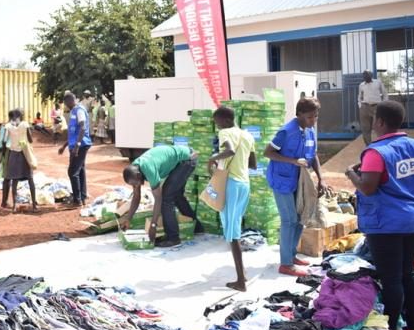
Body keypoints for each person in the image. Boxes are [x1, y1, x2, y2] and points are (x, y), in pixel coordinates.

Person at [345, 100, 414, 330]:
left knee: (391, 278)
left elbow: (367, 188)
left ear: (379, 122)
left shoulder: (376, 152)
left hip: (387, 223)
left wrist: (351, 174)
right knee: (408, 272)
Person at [264, 97, 326, 277]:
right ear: (299, 114)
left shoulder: (310, 131)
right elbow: (268, 152)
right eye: (309, 117)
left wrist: (321, 178)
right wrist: (292, 161)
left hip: (299, 180)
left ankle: (291, 255)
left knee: (300, 217)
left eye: (315, 117)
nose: (313, 120)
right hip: (282, 180)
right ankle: (285, 264)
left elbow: (313, 155)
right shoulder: (286, 132)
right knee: (289, 220)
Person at [207, 107, 257, 291]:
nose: (217, 126)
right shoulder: (247, 135)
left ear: (225, 120)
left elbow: (228, 151)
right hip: (244, 184)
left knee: (232, 232)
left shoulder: (225, 132)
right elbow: (253, 164)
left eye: (217, 122)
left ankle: (241, 281)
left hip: (231, 184)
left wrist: (212, 159)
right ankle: (242, 275)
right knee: (235, 227)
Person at [120, 145, 199, 248]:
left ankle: (173, 238)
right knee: (176, 195)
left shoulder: (148, 169)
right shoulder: (135, 169)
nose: (136, 186)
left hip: (187, 159)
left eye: (135, 184)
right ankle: (197, 227)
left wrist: (153, 225)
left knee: (167, 197)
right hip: (183, 159)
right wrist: (128, 219)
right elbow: (136, 196)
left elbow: (158, 199)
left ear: (139, 175)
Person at [58, 92, 92, 207]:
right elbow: (74, 132)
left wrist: (77, 145)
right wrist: (64, 145)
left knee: (72, 172)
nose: (66, 106)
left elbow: (83, 127)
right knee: (80, 170)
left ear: (69, 101)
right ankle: (82, 197)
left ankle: (77, 200)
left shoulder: (79, 110)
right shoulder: (73, 111)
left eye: (66, 103)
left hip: (81, 145)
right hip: (76, 145)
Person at [4, 109, 37, 212]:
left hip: (13, 154)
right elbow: (30, 140)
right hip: (24, 153)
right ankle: (35, 205)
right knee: (30, 179)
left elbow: (5, 140)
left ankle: (14, 206)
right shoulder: (24, 125)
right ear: (21, 116)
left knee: (14, 180)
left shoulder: (8, 126)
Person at [358, 70, 389, 145]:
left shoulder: (378, 82)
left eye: (367, 75)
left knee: (379, 126)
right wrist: (360, 105)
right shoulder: (361, 85)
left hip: (377, 107)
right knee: (365, 128)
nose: (365, 76)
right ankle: (369, 146)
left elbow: (385, 94)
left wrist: (384, 104)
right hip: (365, 108)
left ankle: (381, 144)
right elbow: (359, 96)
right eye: (364, 75)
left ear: (371, 75)